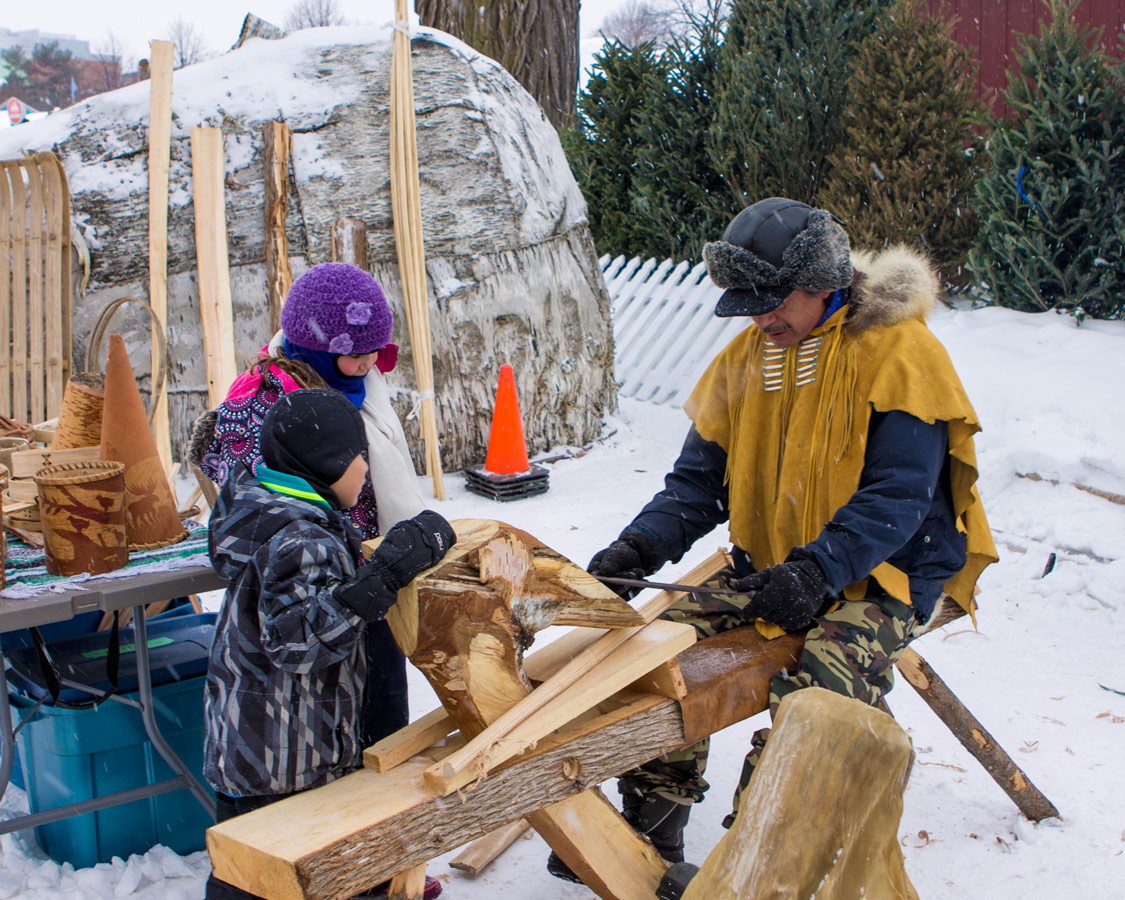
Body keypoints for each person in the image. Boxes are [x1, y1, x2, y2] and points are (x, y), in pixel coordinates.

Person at [550, 197, 997, 881]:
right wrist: (638, 547)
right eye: (747, 304)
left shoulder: (900, 354)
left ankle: (754, 864)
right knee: (651, 650)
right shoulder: (746, 359)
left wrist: (818, 571)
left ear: (821, 282)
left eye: (771, 301)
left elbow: (898, 498)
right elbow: (696, 486)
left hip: (883, 575)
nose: (760, 318)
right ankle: (650, 831)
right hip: (774, 567)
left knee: (816, 697)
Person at [203, 390, 455, 900]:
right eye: (359, 455)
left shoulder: (259, 508)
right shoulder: (302, 537)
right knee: (290, 876)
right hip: (285, 760)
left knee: (246, 874)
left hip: (253, 745)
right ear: (330, 461)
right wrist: (382, 577)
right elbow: (300, 644)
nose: (365, 469)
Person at [192, 262, 425, 749]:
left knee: (384, 729)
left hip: (368, 586)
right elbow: (255, 513)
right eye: (354, 355)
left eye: (373, 352)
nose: (366, 365)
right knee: (332, 734)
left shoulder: (362, 387)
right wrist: (334, 558)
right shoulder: (263, 403)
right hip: (307, 600)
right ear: (316, 348)